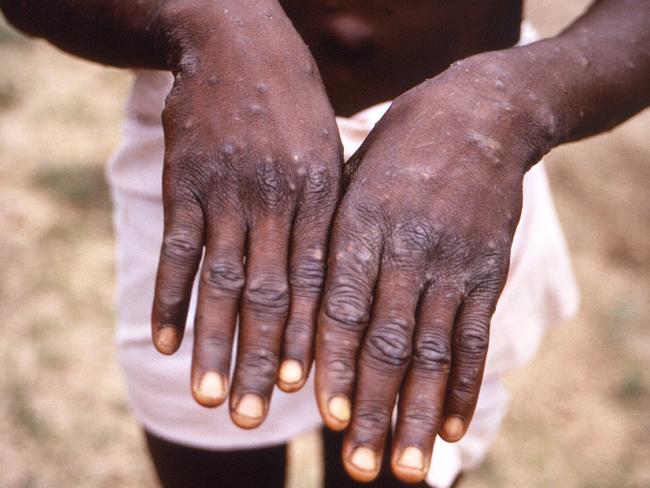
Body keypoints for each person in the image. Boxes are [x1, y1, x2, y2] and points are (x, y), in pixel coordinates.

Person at [1, 1, 648, 487]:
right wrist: (203, 19)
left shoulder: (492, 125)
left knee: (398, 459)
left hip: (460, 169)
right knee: (207, 451)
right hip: (222, 136)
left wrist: (514, 103)